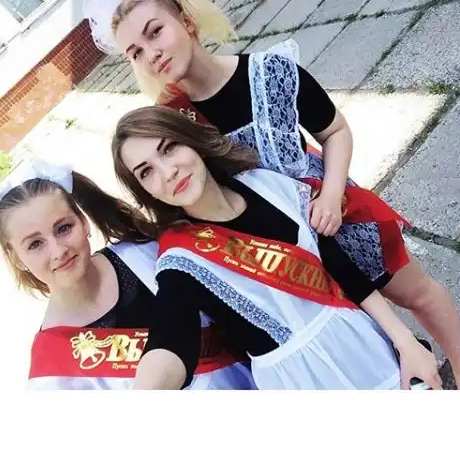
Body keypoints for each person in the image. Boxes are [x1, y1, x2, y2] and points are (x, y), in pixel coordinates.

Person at [82, 0, 460, 390]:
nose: (150, 53)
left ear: (187, 20)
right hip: (278, 259)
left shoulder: (269, 72)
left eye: (154, 32)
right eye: (135, 52)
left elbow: (335, 131)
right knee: (355, 335)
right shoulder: (169, 124)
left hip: (333, 218)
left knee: (417, 295)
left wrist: (331, 194)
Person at [110, 105, 442, 390]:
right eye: (146, 172)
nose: (168, 172)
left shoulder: (266, 186)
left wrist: (404, 340)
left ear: (191, 140)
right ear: (145, 191)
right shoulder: (180, 261)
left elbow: (343, 271)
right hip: (298, 383)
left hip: (362, 343)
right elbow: (171, 338)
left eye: (169, 148)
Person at [0, 158, 256, 390]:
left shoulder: (149, 252)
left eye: (63, 228)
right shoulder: (51, 373)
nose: (58, 250)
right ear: (17, 258)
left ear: (84, 222)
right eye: (35, 244)